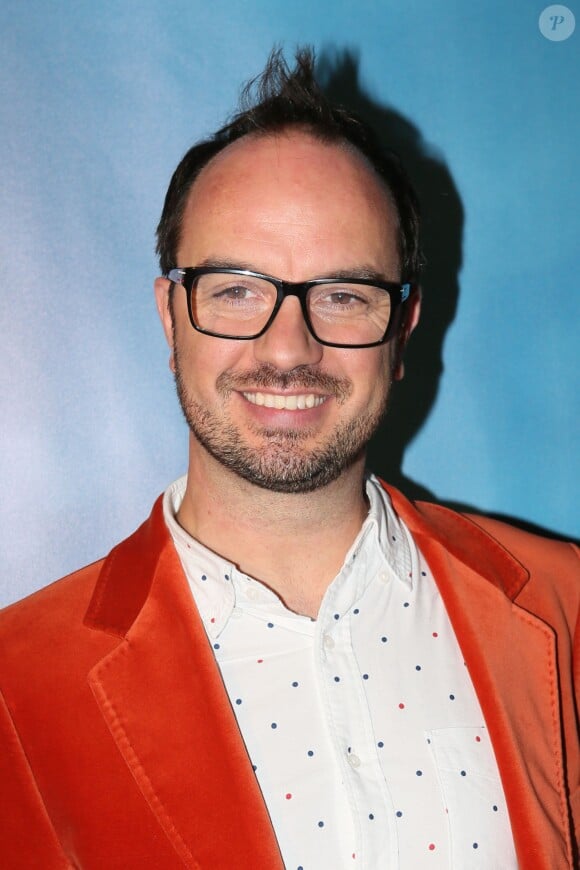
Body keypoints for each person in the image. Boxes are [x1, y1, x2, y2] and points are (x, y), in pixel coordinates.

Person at [0, 49, 578, 870]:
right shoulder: (18, 686)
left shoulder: (565, 611)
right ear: (172, 316)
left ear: (403, 329)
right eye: (236, 289)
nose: (287, 346)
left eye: (344, 294)